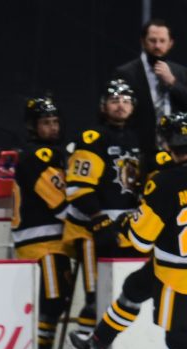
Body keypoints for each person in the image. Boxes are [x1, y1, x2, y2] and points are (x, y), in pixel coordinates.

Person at [70, 111, 187, 349]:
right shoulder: (164, 179)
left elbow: (140, 240)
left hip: (177, 275)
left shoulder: (164, 182)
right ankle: (95, 347)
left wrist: (126, 221)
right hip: (168, 269)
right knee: (135, 286)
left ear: (168, 144)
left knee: (179, 341)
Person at [62, 79, 143, 332]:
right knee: (96, 296)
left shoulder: (135, 138)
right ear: (103, 106)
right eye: (114, 100)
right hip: (91, 231)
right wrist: (98, 218)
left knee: (121, 294)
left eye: (126, 101)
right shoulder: (92, 138)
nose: (121, 106)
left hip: (124, 231)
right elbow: (78, 187)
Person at [11, 97, 73, 349]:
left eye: (55, 122)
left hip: (52, 243)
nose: (53, 127)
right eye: (46, 123)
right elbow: (60, 204)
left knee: (54, 304)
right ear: (32, 126)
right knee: (51, 303)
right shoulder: (37, 156)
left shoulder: (51, 154)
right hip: (42, 244)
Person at [113, 19, 187, 170]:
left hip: (176, 152)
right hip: (141, 150)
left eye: (162, 41)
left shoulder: (180, 73)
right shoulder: (126, 73)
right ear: (143, 42)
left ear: (170, 43)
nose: (157, 46)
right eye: (152, 40)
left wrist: (172, 82)